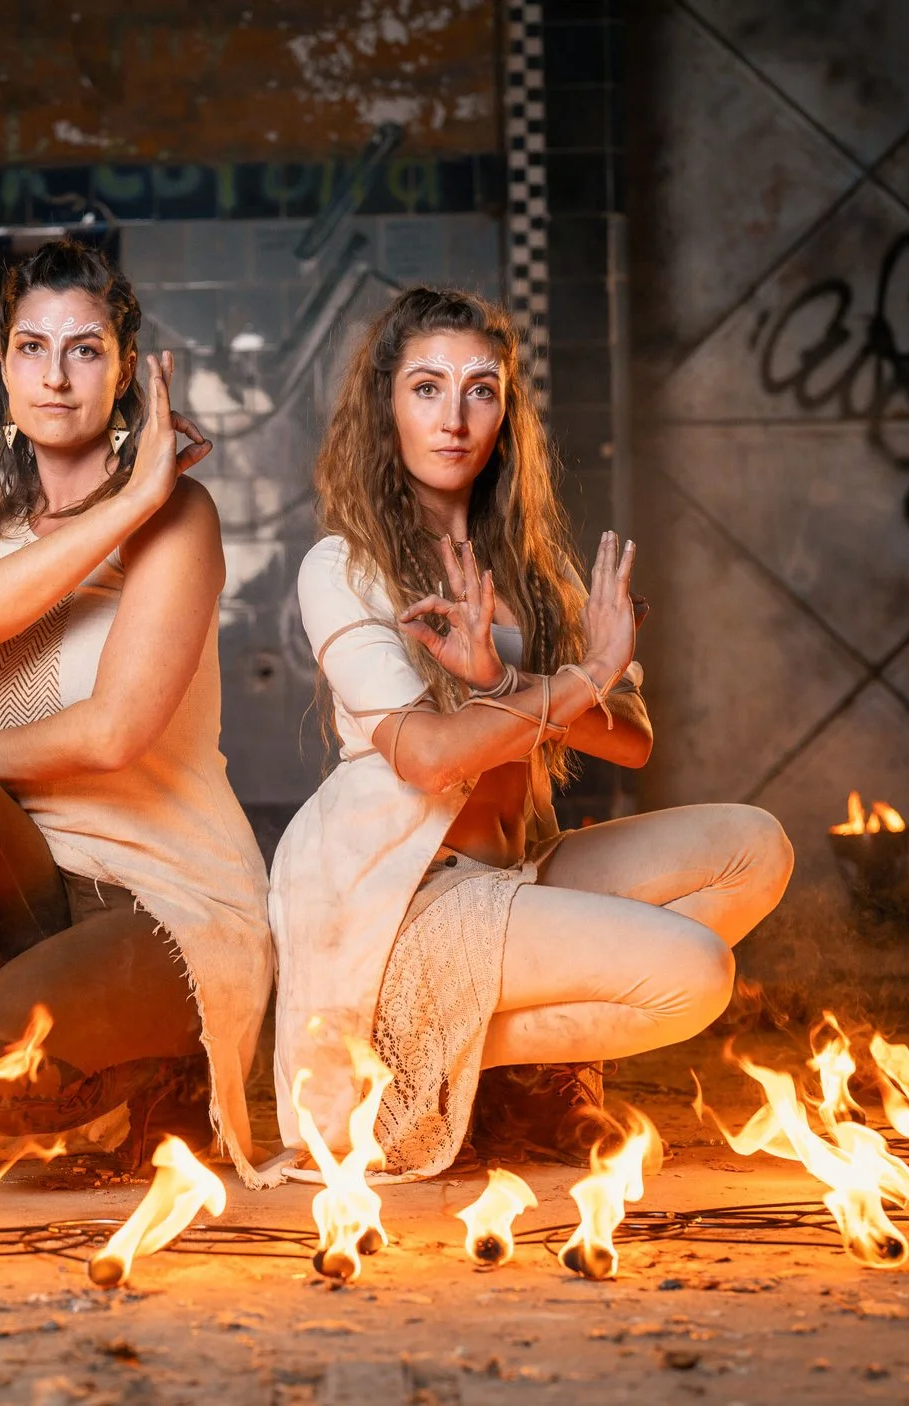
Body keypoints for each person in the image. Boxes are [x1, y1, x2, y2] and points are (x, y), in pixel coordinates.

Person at [269, 286, 793, 1181]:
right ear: (386, 403)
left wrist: (510, 680)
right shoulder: (344, 565)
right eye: (427, 387)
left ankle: (493, 1074)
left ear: (506, 411)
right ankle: (435, 1064)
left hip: (514, 871)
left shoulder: (527, 568)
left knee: (755, 847)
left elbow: (630, 742)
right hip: (411, 904)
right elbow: (428, 756)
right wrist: (581, 675)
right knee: (697, 973)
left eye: (482, 390)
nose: (455, 417)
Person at [0, 239, 275, 1192]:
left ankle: (179, 1059)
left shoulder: (182, 518)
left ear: (126, 371)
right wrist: (124, 504)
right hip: (33, 879)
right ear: (3, 369)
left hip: (167, 893)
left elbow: (114, 732)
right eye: (31, 347)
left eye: (84, 349)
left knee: (2, 1071)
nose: (55, 372)